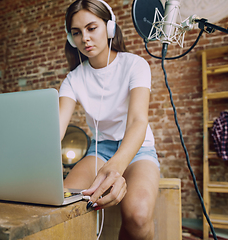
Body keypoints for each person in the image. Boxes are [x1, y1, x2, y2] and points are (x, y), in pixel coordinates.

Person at [59, 0, 160, 239]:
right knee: (63, 201)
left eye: (91, 28)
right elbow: (56, 128)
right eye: (76, 32)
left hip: (139, 148)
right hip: (100, 150)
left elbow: (137, 120)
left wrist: (116, 165)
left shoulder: (135, 64)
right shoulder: (73, 79)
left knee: (138, 216)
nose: (85, 38)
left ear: (110, 28)